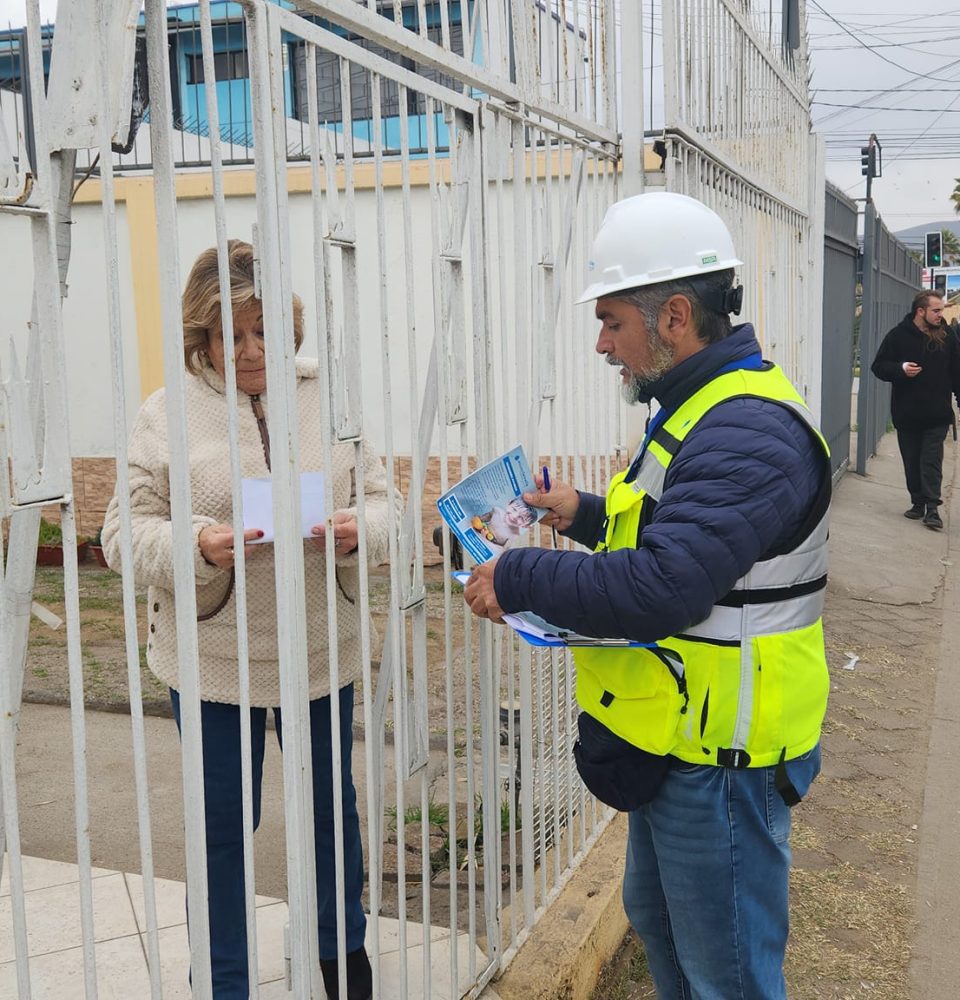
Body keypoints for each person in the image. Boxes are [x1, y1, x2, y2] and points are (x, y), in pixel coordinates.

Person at [463, 192, 831, 999]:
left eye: (612, 322)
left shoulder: (746, 429)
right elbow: (685, 541)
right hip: (681, 741)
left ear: (672, 315)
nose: (602, 345)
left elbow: (668, 583)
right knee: (666, 934)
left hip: (722, 760)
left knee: (724, 977)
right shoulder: (701, 408)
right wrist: (586, 516)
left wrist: (518, 574)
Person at [103, 240, 397, 1000]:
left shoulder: (330, 396)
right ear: (200, 336)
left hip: (321, 651)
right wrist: (194, 543)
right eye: (230, 336)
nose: (251, 351)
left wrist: (358, 528)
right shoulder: (164, 414)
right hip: (212, 661)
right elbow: (118, 535)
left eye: (264, 331)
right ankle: (224, 983)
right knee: (223, 832)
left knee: (330, 816)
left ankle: (342, 961)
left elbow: (385, 500)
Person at [870, 289, 960, 531]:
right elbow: (878, 366)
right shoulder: (898, 336)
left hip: (937, 414)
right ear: (921, 311)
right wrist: (900, 369)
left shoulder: (947, 335)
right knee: (912, 460)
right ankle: (918, 502)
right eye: (936, 310)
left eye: (941, 310)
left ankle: (932, 507)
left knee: (931, 460)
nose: (941, 314)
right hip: (907, 413)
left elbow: (956, 370)